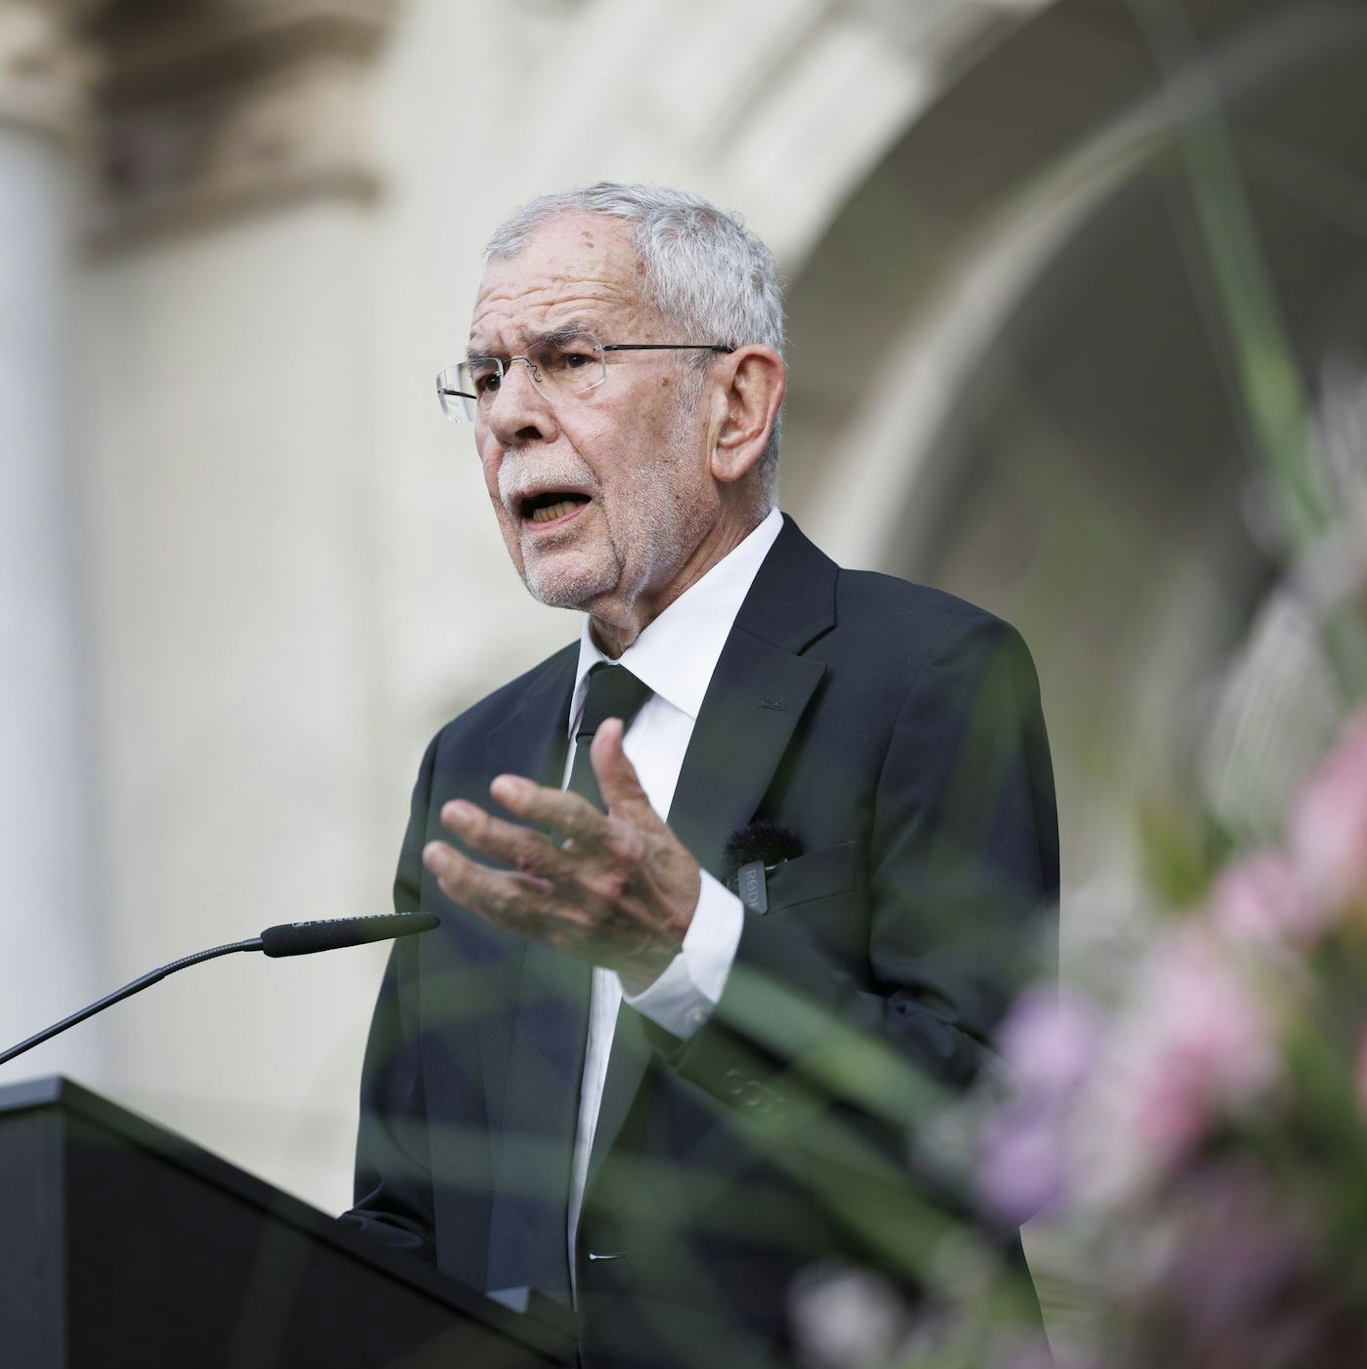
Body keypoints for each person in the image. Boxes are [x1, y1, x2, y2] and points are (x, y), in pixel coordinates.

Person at [343, 183, 1058, 1369]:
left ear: (733, 406)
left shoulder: (931, 674)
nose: (510, 415)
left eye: (567, 358)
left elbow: (993, 1134)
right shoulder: (472, 759)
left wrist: (689, 953)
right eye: (483, 376)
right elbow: (405, 1210)